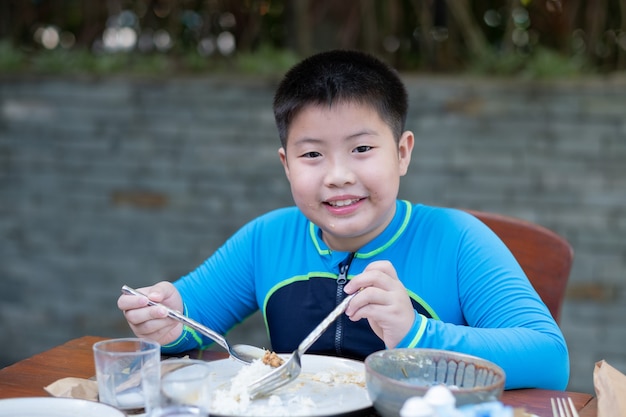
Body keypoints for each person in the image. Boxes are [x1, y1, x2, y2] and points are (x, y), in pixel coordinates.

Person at [118, 49, 569, 390]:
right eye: (312, 154)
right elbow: (190, 320)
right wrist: (167, 322)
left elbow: (550, 360)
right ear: (286, 165)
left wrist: (417, 333)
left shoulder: (456, 241)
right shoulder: (267, 239)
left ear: (402, 152)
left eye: (362, 149)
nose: (338, 176)